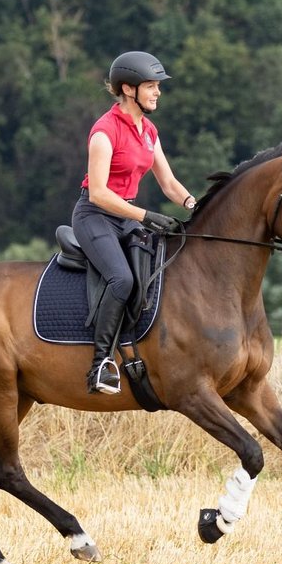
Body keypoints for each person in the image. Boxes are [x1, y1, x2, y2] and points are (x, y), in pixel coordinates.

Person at [73, 51, 199, 395]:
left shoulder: (148, 130)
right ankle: (100, 364)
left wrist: (193, 204)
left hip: (125, 214)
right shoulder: (104, 131)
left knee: (155, 271)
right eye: (151, 86)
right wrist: (146, 216)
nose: (158, 92)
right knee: (122, 278)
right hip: (95, 216)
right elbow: (98, 193)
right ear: (128, 89)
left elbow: (169, 184)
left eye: (158, 86)